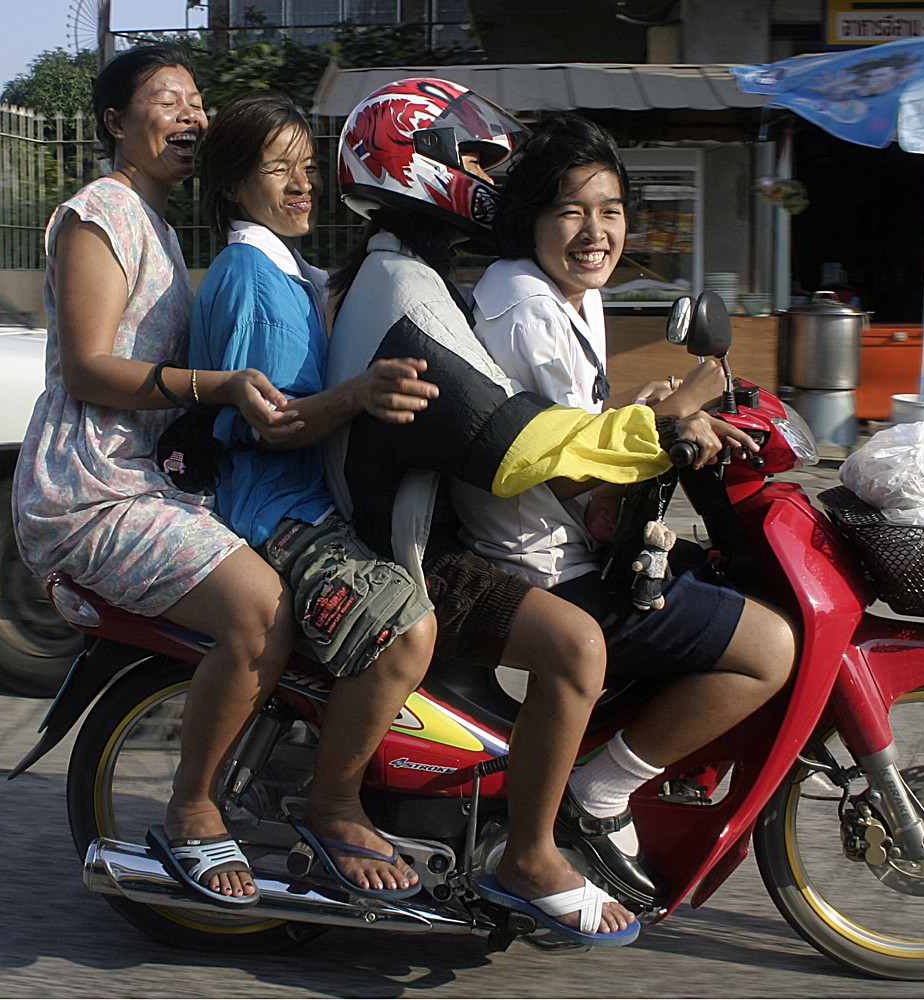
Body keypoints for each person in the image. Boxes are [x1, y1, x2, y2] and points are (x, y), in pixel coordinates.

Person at [322, 78, 751, 947]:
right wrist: (660, 427)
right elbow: (513, 443)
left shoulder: (414, 273)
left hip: (427, 525)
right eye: (473, 158)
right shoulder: (410, 296)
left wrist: (649, 423)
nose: (489, 177)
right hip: (420, 557)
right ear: (416, 162)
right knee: (578, 643)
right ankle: (528, 856)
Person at [462, 113, 798, 909]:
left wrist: (652, 410)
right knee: (769, 648)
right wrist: (683, 408)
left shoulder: (565, 292)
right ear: (534, 217)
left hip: (573, 543)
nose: (596, 232)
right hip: (542, 564)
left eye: (610, 211)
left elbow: (582, 426)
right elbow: (579, 478)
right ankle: (601, 789)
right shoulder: (527, 307)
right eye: (572, 211)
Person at [13, 46, 298, 907]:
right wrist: (221, 388)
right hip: (88, 486)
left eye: (197, 101)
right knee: (261, 607)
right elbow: (93, 369)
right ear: (113, 124)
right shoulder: (98, 215)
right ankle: (193, 809)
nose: (191, 115)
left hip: (140, 473)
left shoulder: (161, 225)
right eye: (167, 100)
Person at [186, 90, 440, 899]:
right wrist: (362, 394)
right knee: (405, 631)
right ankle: (333, 801)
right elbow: (269, 426)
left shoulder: (292, 273)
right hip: (274, 514)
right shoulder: (248, 277)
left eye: (307, 168)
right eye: (278, 170)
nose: (302, 186)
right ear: (234, 185)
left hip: (312, 503)